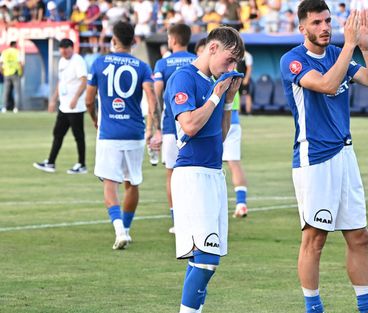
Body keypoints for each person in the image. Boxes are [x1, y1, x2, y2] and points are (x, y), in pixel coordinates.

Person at [280, 1, 368, 313]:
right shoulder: (292, 60)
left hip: (344, 155)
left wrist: (365, 47)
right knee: (315, 239)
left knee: (359, 236)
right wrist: (350, 45)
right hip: (314, 160)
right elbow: (325, 85)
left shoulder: (343, 52)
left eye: (327, 20)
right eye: (316, 22)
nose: (325, 27)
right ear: (302, 28)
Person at [165, 26, 243, 313]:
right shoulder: (184, 78)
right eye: (229, 59)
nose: (232, 68)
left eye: (236, 63)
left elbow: (219, 137)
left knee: (203, 257)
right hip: (192, 175)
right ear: (212, 49)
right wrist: (215, 96)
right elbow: (189, 125)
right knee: (208, 258)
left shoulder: (214, 83)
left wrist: (227, 101)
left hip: (212, 173)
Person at [85, 21, 161, 250]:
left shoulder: (99, 63)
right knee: (132, 182)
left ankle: (119, 230)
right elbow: (151, 98)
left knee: (110, 183)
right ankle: (127, 229)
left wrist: (94, 118)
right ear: (134, 41)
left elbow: (89, 100)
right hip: (135, 132)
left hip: (109, 132)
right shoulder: (142, 66)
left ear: (114, 40)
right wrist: (153, 127)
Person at [196, 37, 249, 218]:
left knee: (212, 163)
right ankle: (241, 203)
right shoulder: (230, 72)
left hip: (219, 119)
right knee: (233, 163)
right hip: (233, 118)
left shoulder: (213, 75)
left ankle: (209, 206)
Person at [153, 23, 197, 234]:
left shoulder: (162, 64)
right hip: (195, 124)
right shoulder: (197, 61)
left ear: (172, 40)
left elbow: (155, 96)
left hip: (171, 124)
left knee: (172, 173)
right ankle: (195, 216)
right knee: (194, 170)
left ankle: (176, 220)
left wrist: (155, 127)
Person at [33, 39, 88, 174]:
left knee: (78, 136)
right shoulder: (62, 61)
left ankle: (82, 164)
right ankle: (51, 162)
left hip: (75, 106)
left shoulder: (78, 60)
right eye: (61, 49)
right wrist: (53, 99)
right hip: (64, 106)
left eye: (66, 48)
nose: (63, 51)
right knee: (58, 134)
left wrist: (76, 97)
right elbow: (61, 81)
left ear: (72, 48)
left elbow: (84, 81)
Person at [0, 41, 23, 113]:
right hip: (15, 73)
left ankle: (4, 107)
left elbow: (1, 63)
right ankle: (16, 108)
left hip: (6, 73)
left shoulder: (4, 52)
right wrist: (22, 72)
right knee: (16, 91)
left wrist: (2, 72)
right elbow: (20, 63)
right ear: (15, 45)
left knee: (6, 92)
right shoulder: (17, 52)